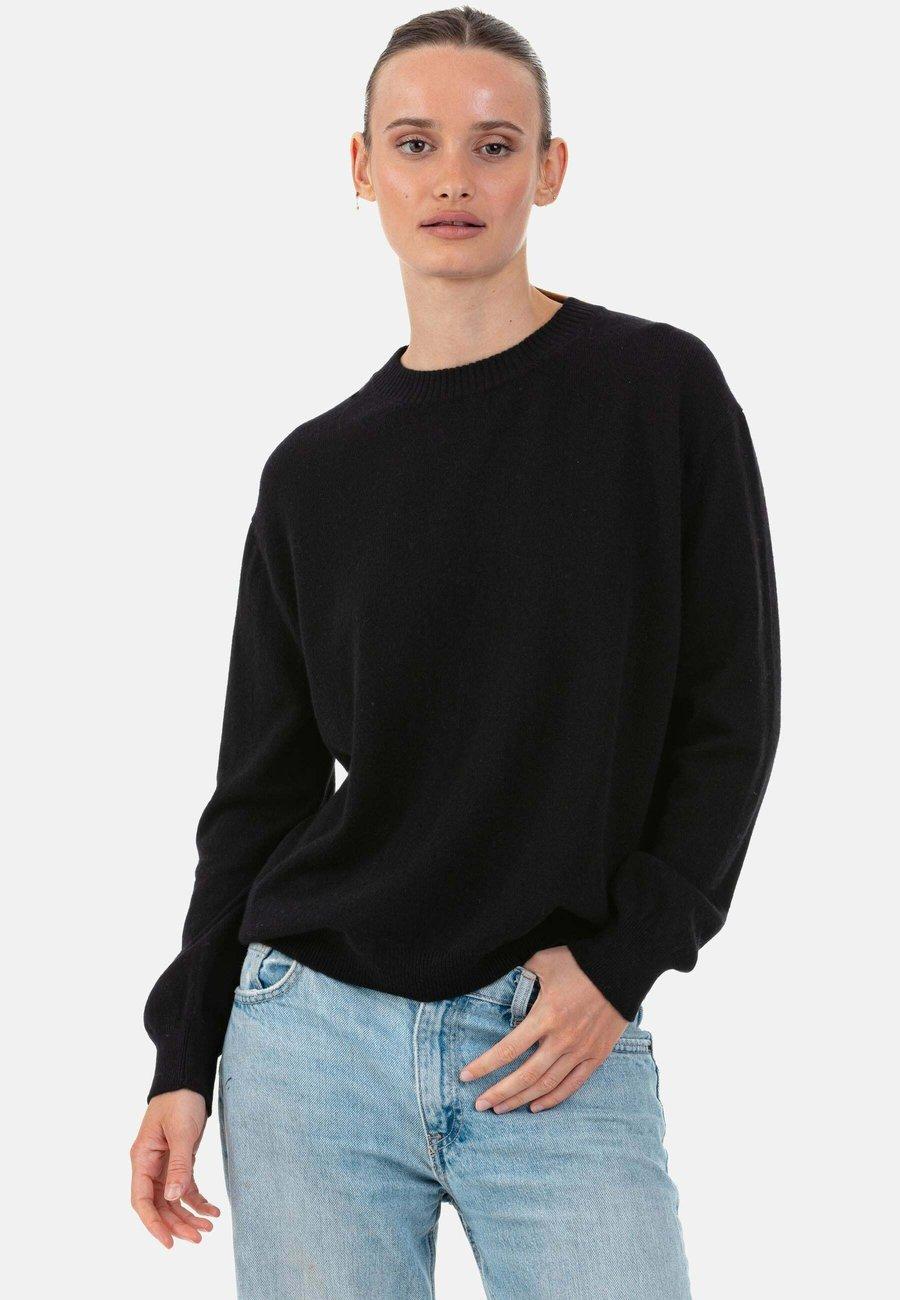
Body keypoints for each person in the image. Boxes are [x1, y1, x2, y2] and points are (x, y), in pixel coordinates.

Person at [130, 7, 781, 1297]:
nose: (453, 179)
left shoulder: (658, 392)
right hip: (309, 1043)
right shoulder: (314, 473)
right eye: (415, 142)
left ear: (550, 169)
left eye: (494, 145)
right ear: (362, 165)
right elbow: (257, 797)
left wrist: (623, 963)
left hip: (553, 1036)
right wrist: (183, 1056)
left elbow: (732, 715)